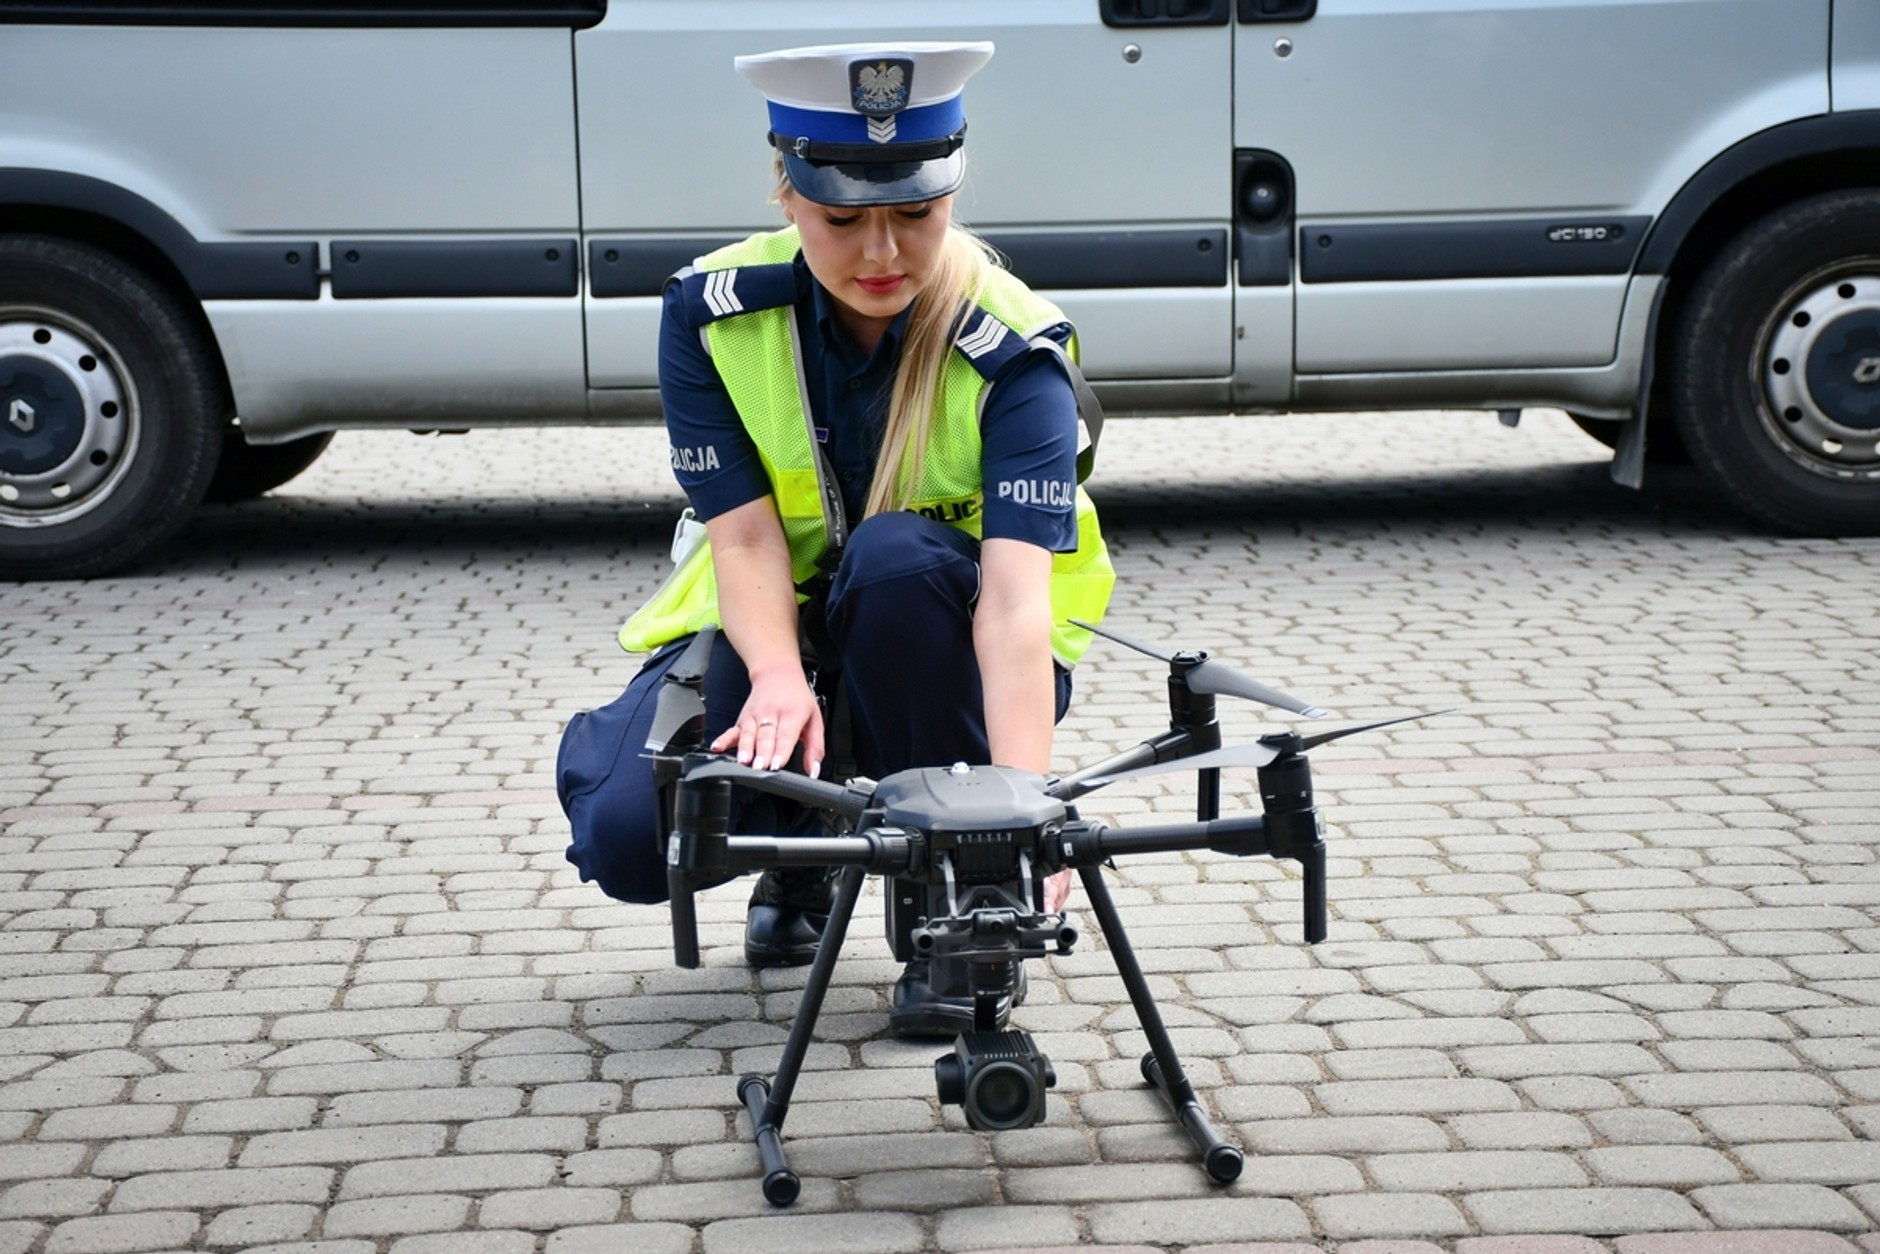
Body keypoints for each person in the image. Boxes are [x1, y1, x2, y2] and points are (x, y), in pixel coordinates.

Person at [557, 40, 1114, 1037]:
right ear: (786, 194)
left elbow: (1013, 605)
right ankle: (806, 849)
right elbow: (743, 542)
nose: (883, 253)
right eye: (843, 219)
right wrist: (774, 678)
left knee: (895, 564)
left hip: (949, 641)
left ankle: (956, 915)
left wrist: (1019, 815)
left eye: (915, 213)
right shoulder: (711, 315)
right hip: (786, 626)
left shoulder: (1015, 349)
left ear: (952, 192)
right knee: (634, 835)